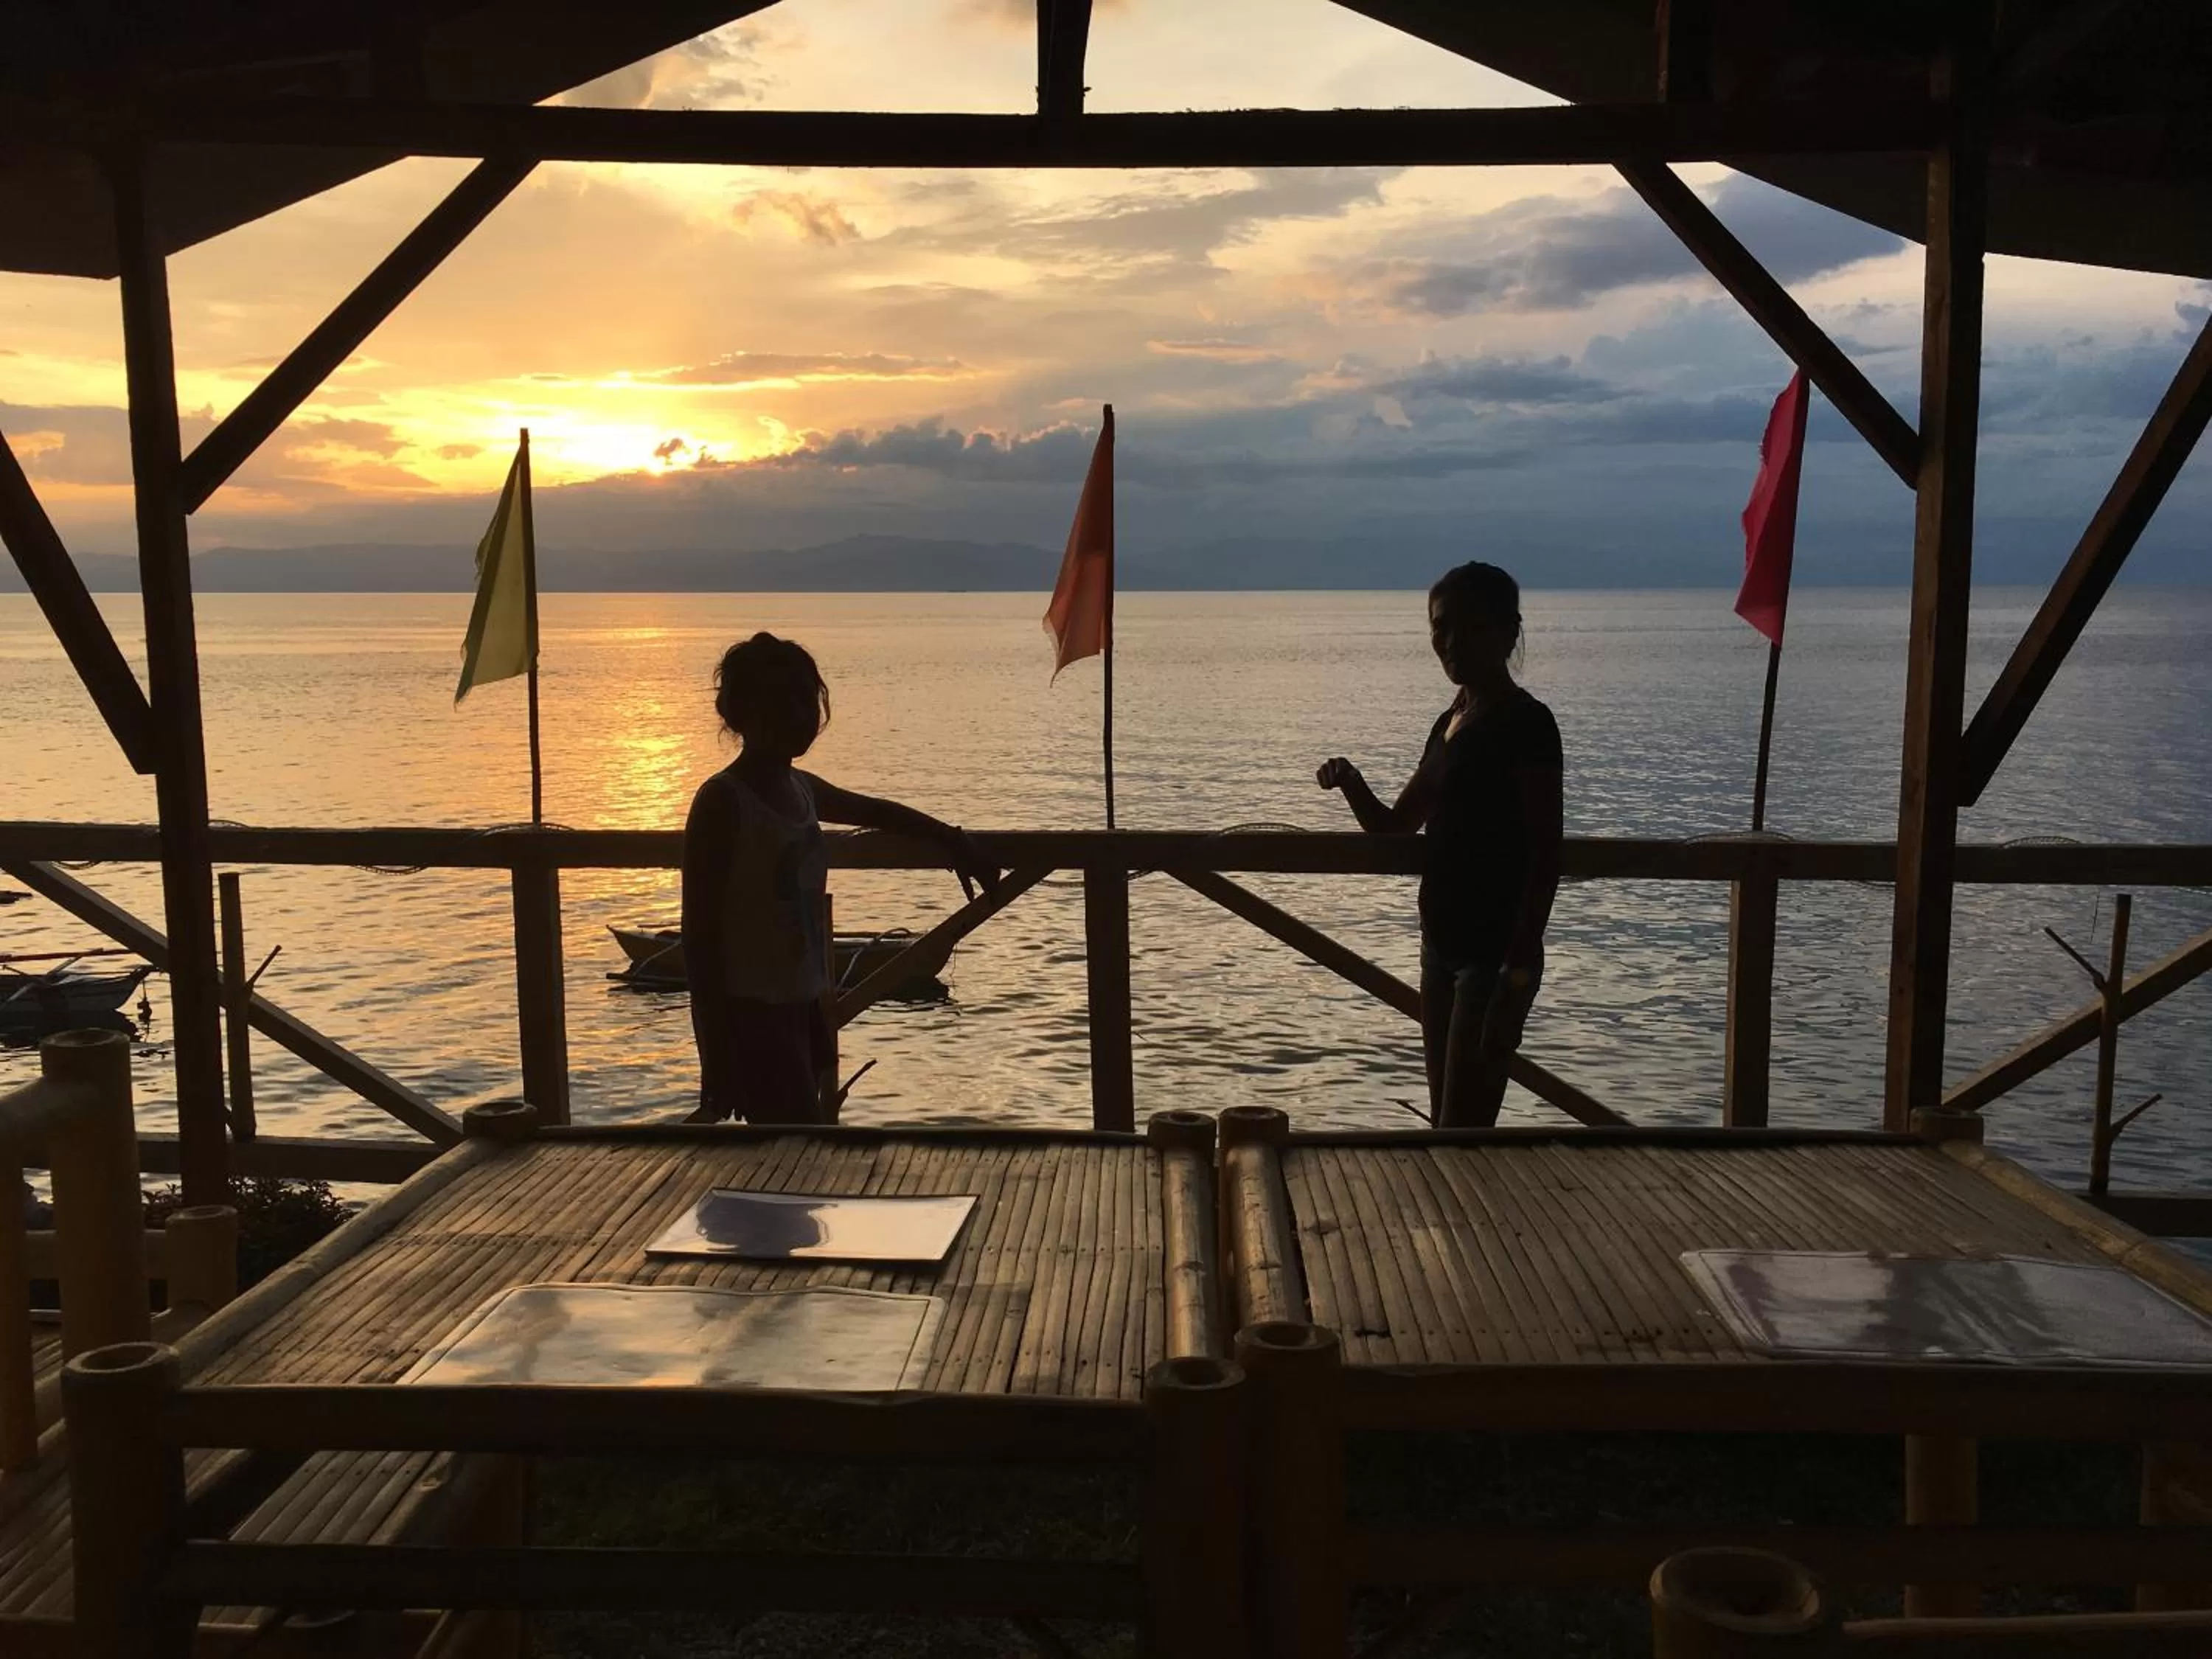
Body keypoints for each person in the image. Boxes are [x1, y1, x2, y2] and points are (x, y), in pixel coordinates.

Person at [681, 632, 996, 1124]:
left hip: (805, 1001)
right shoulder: (723, 801)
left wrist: (953, 839)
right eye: (790, 701)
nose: (806, 715)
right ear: (750, 712)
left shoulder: (799, 787)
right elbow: (699, 938)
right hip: (752, 1015)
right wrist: (716, 1056)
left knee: (800, 1152)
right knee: (794, 1155)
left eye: (809, 699)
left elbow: (875, 811)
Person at [1316, 563, 1563, 1127]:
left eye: (1469, 627)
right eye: (1440, 627)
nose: (1450, 643)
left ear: (1507, 632)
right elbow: (1395, 828)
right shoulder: (1449, 722)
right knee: (1445, 1127)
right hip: (1439, 949)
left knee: (1462, 1136)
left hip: (1493, 958)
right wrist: (1351, 780)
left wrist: (1518, 965)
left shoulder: (1528, 724)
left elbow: (1547, 851)